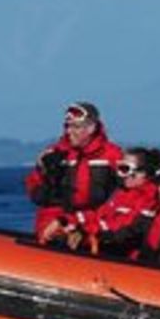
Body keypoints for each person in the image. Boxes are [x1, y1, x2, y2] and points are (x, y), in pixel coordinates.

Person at [28, 101, 123, 244]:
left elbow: (123, 197)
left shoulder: (113, 155)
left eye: (76, 127)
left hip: (93, 224)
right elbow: (38, 196)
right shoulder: (55, 154)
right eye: (67, 126)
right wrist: (43, 173)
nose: (69, 131)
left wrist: (84, 225)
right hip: (56, 224)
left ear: (91, 128)